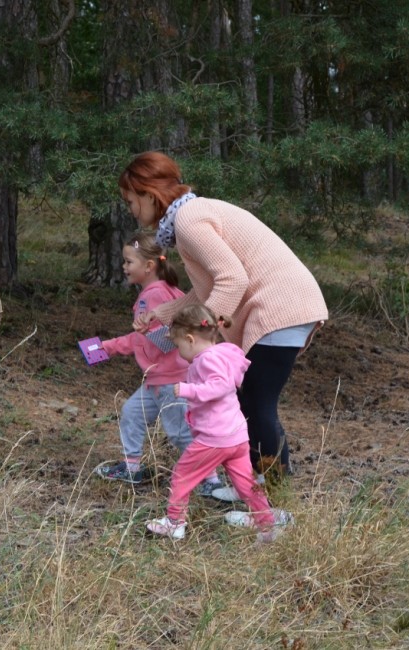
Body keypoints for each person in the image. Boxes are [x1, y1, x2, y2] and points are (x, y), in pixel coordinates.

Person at [120, 151, 328, 490]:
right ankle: (259, 489)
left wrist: (200, 335)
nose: (130, 209)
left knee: (256, 403)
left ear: (149, 194)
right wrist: (163, 314)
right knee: (248, 401)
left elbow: (232, 280)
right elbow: (210, 287)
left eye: (131, 200)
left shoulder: (189, 220)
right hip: (283, 306)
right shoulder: (190, 217)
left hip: (281, 307)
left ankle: (273, 496)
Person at [93, 231, 224, 495]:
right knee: (132, 413)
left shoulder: (153, 296)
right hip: (157, 380)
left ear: (149, 266)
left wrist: (103, 349)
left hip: (171, 381)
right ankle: (131, 468)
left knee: (180, 433)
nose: (124, 267)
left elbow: (152, 340)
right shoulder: (169, 291)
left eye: (129, 262)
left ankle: (210, 480)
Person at [145, 305, 284, 542]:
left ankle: (175, 523)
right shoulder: (222, 354)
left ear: (190, 339)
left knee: (182, 475)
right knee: (246, 483)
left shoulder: (206, 359)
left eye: (178, 346)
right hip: (236, 436)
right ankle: (266, 524)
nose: (179, 353)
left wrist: (189, 390)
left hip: (215, 437)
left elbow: (221, 385)